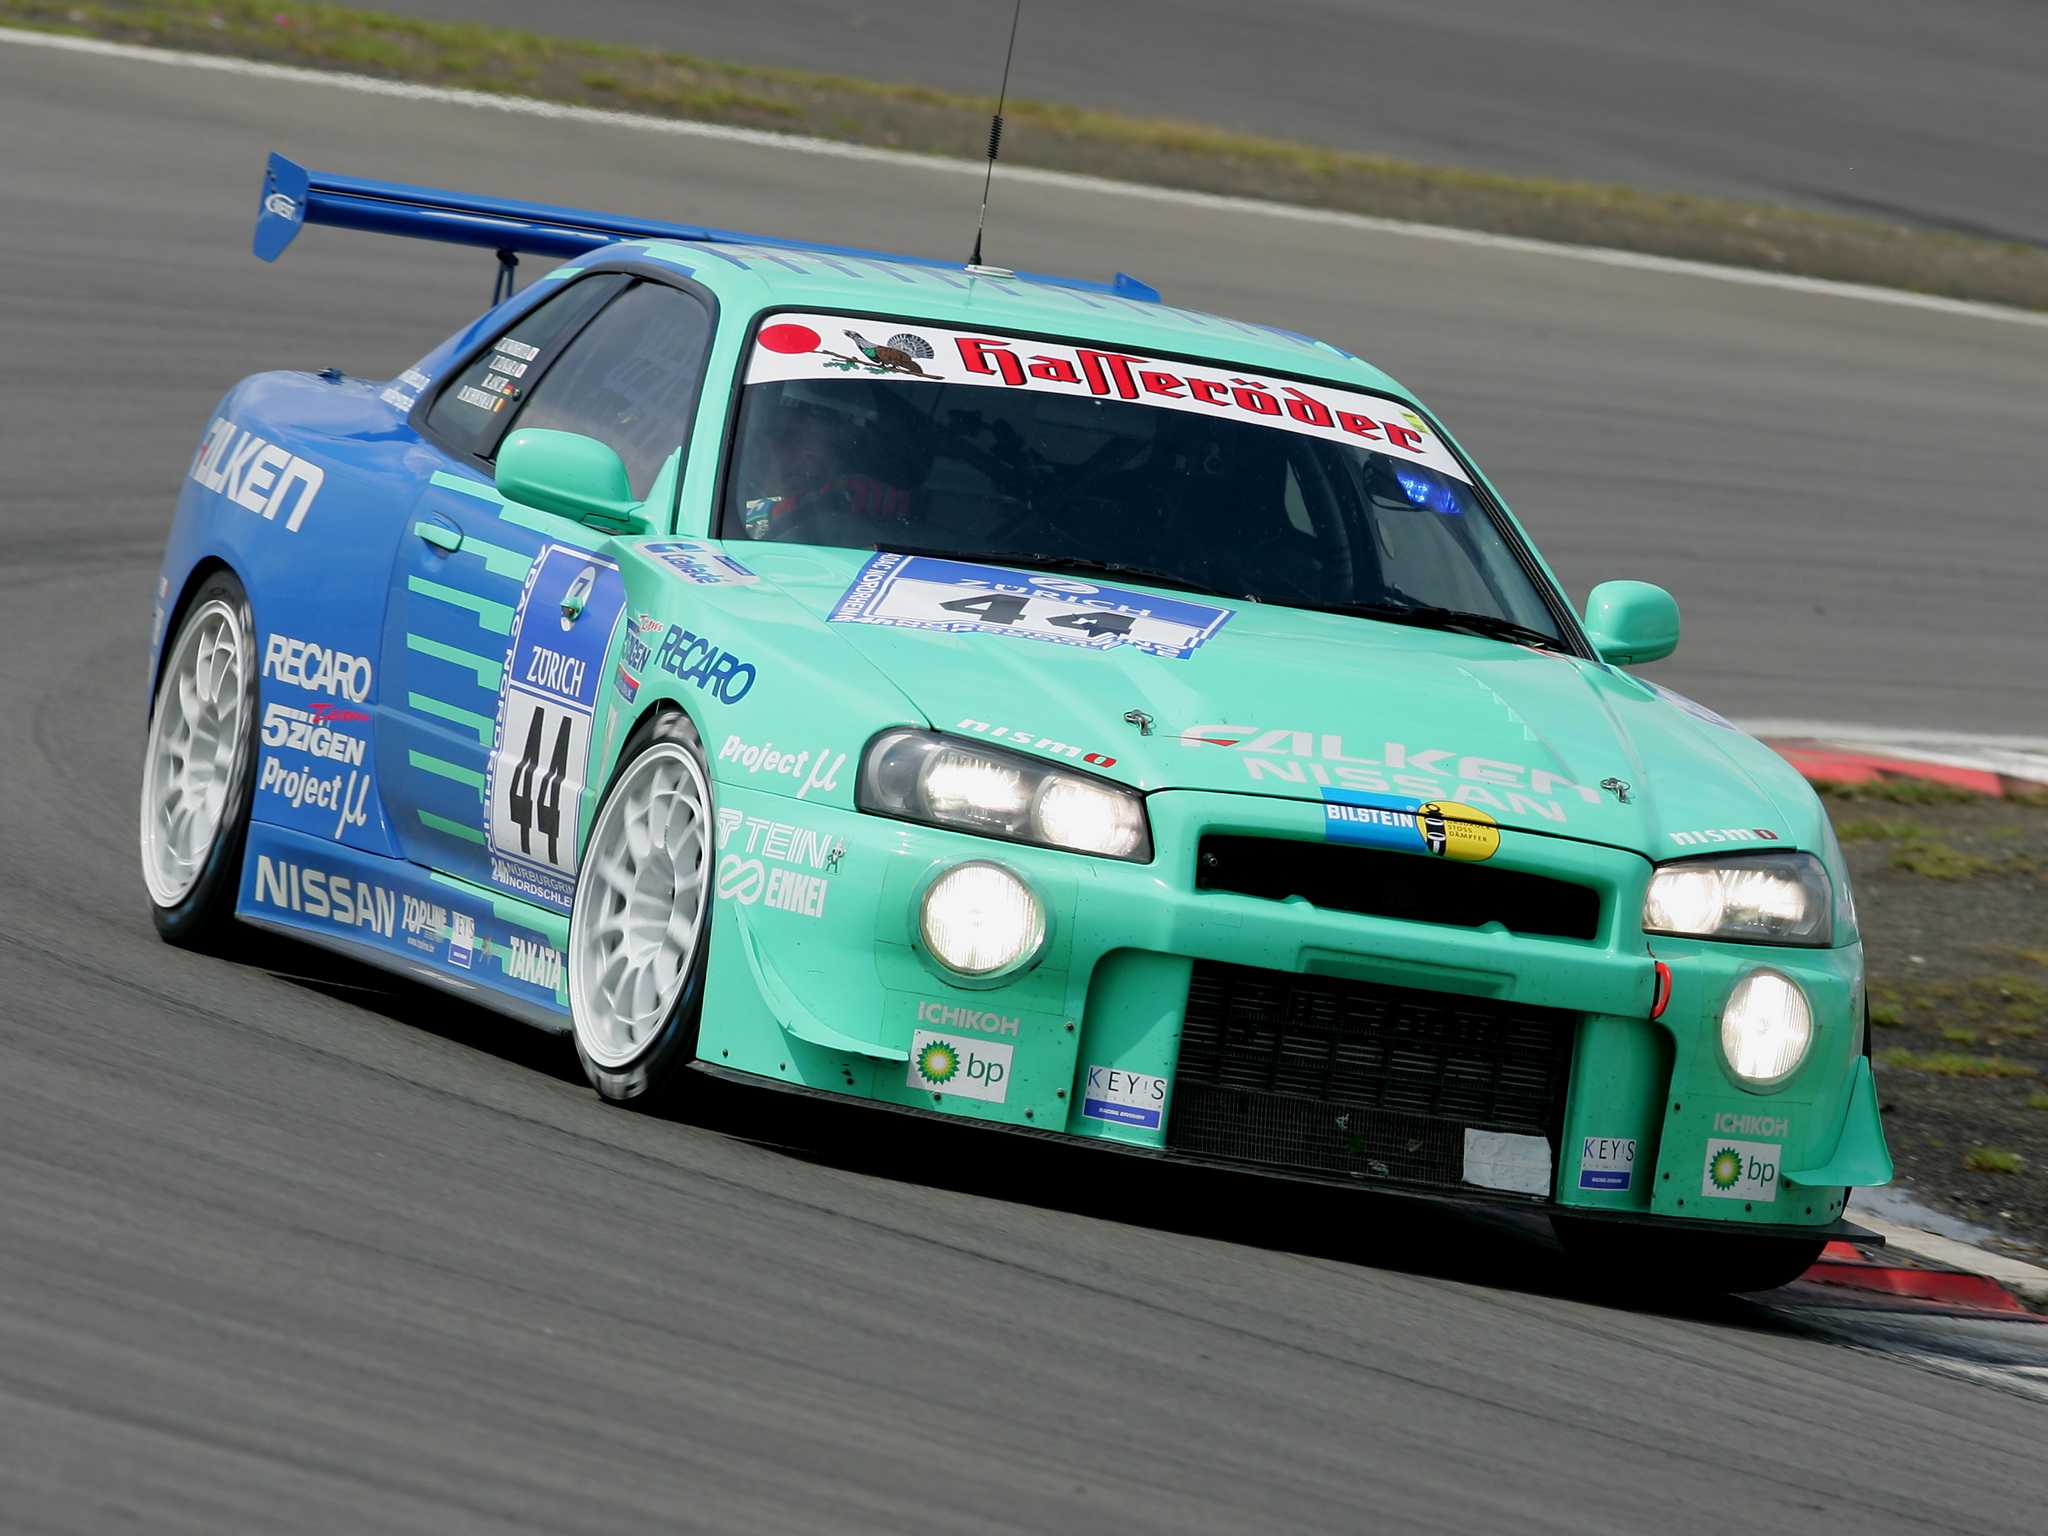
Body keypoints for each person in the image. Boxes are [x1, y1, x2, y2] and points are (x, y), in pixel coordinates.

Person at [739, 397, 911, 541]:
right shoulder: (722, 496)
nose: (812, 452)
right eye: (787, 435)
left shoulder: (857, 499)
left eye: (831, 444)